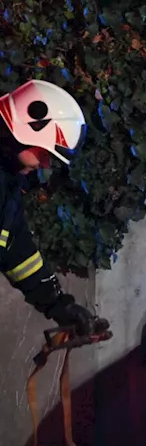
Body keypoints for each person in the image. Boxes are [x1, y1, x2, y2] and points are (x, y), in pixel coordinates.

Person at [1, 79, 104, 336]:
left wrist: (58, 305)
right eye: (45, 153)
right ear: (30, 127)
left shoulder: (9, 180)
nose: (45, 164)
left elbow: (16, 249)